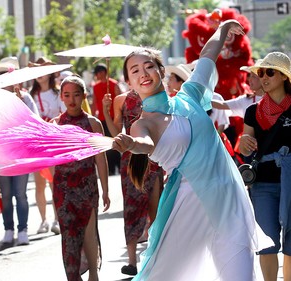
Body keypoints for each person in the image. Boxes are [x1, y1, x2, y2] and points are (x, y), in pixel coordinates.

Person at [112, 20, 272, 281]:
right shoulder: (142, 124)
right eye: (135, 70)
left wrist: (221, 30)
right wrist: (131, 144)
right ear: (129, 82)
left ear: (161, 71)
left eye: (149, 66)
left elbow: (207, 55)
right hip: (188, 206)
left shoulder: (189, 97)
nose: (143, 73)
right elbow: (146, 145)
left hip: (229, 198)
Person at [52, 75, 110, 281]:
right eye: (66, 95)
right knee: (68, 236)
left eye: (76, 95)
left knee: (88, 233)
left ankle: (94, 274)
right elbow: (50, 158)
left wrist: (105, 189)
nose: (71, 100)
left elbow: (100, 158)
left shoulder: (93, 123)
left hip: (87, 186)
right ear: (61, 97)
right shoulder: (56, 124)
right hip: (63, 188)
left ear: (84, 96)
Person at [239, 51, 291, 281]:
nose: (264, 77)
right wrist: (243, 143)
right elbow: (245, 149)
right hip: (263, 185)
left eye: (270, 72)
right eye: (261, 73)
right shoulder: (252, 111)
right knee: (267, 242)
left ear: (283, 77)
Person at [102, 89, 163, 276]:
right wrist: (106, 111)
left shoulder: (159, 96)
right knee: (131, 208)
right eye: (134, 70)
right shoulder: (121, 100)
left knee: (156, 209)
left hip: (154, 157)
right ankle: (131, 261)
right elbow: (115, 135)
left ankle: (156, 257)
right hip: (130, 159)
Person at [0, 57, 39, 245]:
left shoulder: (25, 98)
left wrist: (21, 107)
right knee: (7, 195)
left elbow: (35, 122)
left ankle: (23, 229)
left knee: (20, 193)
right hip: (1, 154)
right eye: (3, 76)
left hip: (21, 154)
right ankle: (8, 228)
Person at [29, 57, 64, 235]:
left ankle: (58, 219)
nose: (39, 74)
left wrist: (52, 123)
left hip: (52, 142)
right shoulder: (30, 95)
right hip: (36, 143)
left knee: (54, 182)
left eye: (42, 70)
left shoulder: (58, 94)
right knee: (39, 183)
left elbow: (64, 115)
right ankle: (43, 220)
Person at [91, 63, 122, 175]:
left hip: (114, 118)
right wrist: (92, 115)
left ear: (103, 72)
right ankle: (111, 168)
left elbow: (119, 99)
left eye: (98, 73)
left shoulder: (114, 84)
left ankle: (119, 165)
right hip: (102, 118)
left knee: (115, 141)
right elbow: (94, 102)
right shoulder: (95, 86)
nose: (97, 75)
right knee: (106, 143)